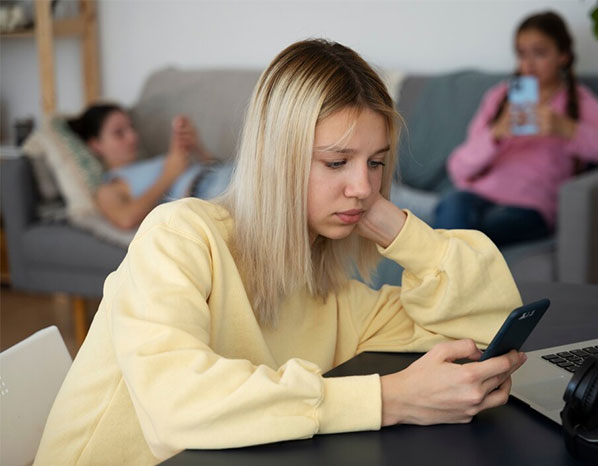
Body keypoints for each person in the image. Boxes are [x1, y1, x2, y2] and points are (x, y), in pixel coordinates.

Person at [35, 39, 526, 465]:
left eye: (376, 163)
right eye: (337, 162)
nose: (363, 186)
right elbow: (175, 408)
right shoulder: (179, 237)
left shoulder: (333, 295)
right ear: (277, 159)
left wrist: (391, 222)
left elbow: (485, 329)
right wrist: (388, 398)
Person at [434, 11, 598, 246]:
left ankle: (452, 273)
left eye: (540, 53)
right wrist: (495, 134)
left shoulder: (580, 102)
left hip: (530, 207)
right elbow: (458, 168)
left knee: (468, 238)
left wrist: (568, 129)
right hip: (478, 194)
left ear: (563, 56)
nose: (528, 64)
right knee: (451, 208)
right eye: (521, 54)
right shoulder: (499, 98)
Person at [67, 104, 234, 229]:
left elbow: (214, 167)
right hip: (206, 193)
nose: (132, 137)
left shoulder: (152, 162)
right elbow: (126, 219)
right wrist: (169, 175)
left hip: (221, 173)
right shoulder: (110, 188)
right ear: (96, 144)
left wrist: (198, 148)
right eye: (119, 133)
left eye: (131, 128)